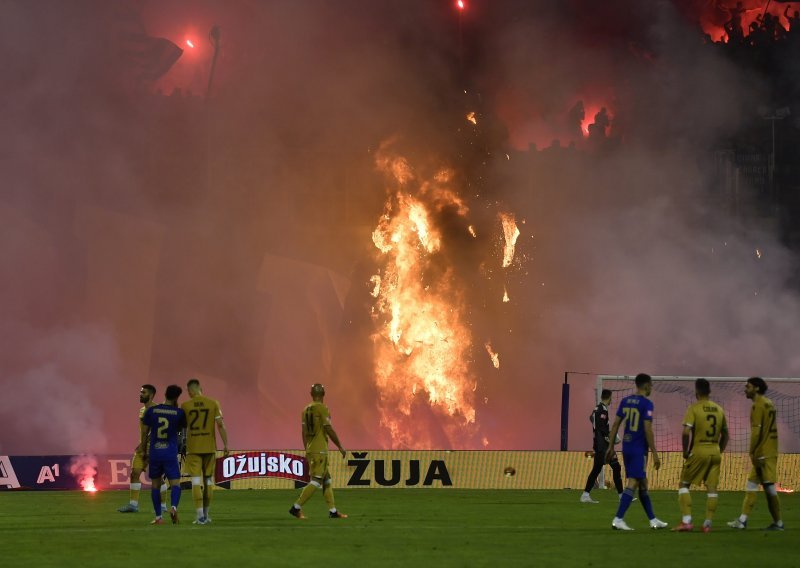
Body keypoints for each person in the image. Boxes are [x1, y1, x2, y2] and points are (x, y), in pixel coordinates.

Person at [606, 373, 668, 531]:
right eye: (651, 385)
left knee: (643, 484)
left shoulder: (625, 401)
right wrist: (654, 453)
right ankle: (618, 518)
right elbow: (648, 429)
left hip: (627, 447)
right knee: (634, 482)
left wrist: (611, 447)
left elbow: (615, 425)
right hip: (639, 448)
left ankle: (653, 520)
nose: (651, 388)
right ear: (646, 385)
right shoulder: (647, 404)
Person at [727, 377, 784, 531]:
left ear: (757, 388)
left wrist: (751, 451)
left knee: (769, 488)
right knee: (754, 484)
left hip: (762, 453)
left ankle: (778, 523)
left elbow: (756, 432)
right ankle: (743, 520)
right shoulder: (769, 403)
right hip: (770, 449)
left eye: (748, 386)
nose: (745, 389)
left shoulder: (758, 405)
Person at [672, 378, 729, 533]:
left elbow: (685, 432)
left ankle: (687, 521)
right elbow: (726, 434)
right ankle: (707, 524)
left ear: (696, 392)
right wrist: (719, 450)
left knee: (684, 484)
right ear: (709, 392)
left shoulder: (694, 408)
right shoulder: (719, 409)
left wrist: (685, 451)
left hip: (699, 450)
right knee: (712, 488)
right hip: (715, 451)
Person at [289, 383, 347, 519]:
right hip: (320, 450)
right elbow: (328, 428)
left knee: (327, 480)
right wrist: (339, 446)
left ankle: (332, 511)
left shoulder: (305, 410)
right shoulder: (322, 408)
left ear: (311, 394)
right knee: (316, 481)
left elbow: (303, 432)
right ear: (324, 394)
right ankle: (296, 507)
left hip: (311, 449)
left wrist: (307, 448)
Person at [180, 378, 229, 525]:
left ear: (191, 390)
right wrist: (226, 444)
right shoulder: (213, 403)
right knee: (208, 481)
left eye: (188, 391)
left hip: (193, 449)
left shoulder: (185, 406)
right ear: (200, 388)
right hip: (209, 448)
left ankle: (200, 515)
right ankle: (207, 515)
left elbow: (182, 428)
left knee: (195, 481)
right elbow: (220, 425)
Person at [141, 384, 186, 525]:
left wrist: (143, 450)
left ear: (165, 394)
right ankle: (173, 507)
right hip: (170, 453)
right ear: (177, 397)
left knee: (155, 485)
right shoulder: (179, 413)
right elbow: (180, 430)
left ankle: (159, 517)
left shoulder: (152, 411)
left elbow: (144, 432)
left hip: (155, 452)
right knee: (175, 484)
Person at [117, 384, 166, 513]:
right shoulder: (142, 410)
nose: (140, 394)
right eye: (140, 392)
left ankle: (163, 506)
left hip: (155, 448)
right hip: (142, 447)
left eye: (143, 393)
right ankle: (133, 505)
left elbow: (154, 431)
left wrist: (144, 445)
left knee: (158, 478)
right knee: (135, 473)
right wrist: (142, 445)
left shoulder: (157, 410)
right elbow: (144, 431)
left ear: (151, 395)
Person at [580, 389, 623, 503]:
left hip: (600, 445)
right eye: (611, 398)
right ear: (609, 398)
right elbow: (601, 427)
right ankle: (621, 496)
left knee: (596, 470)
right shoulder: (602, 410)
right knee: (616, 467)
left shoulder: (596, 409)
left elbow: (591, 419)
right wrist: (610, 437)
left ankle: (585, 495)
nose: (611, 400)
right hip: (603, 446)